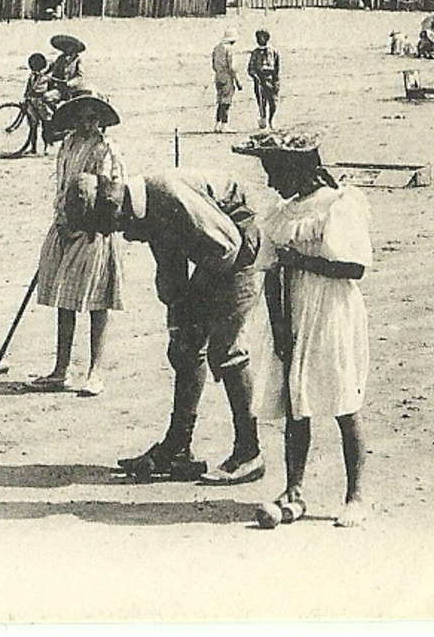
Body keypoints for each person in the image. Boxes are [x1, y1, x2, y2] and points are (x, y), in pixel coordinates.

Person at [67, 166, 267, 485]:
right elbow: (170, 264)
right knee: (185, 347)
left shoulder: (167, 196)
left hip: (237, 249)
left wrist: (200, 302)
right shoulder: (139, 208)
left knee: (225, 350)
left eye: (112, 227)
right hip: (212, 254)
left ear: (114, 206)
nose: (118, 234)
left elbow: (225, 248)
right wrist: (179, 313)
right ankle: (177, 449)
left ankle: (249, 451)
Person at [236, 132, 374, 528]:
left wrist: (301, 261)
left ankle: (356, 495)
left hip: (331, 309)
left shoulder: (337, 206)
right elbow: (270, 272)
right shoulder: (282, 214)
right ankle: (294, 489)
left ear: (298, 169)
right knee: (298, 401)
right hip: (294, 311)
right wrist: (279, 328)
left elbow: (354, 268)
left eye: (274, 171)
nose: (270, 182)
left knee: (342, 400)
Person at [29, 94, 125, 396]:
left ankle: (95, 372)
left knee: (97, 302)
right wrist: (61, 219)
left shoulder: (105, 149)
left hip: (93, 231)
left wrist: (90, 222)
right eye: (83, 115)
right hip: (64, 228)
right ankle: (62, 369)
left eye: (94, 115)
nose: (88, 121)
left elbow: (110, 193)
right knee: (64, 299)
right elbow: (62, 187)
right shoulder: (67, 145)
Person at [21, 53, 56, 155]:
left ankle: (47, 146)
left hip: (42, 102)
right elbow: (28, 88)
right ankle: (33, 148)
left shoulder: (46, 77)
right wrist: (26, 97)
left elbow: (50, 88)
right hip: (32, 101)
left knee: (46, 125)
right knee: (33, 126)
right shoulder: (32, 76)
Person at [247, 29, 281, 130]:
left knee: (273, 103)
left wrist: (276, 81)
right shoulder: (255, 53)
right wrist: (255, 77)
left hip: (271, 79)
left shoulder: (273, 51)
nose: (259, 39)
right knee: (261, 103)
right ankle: (264, 120)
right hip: (259, 79)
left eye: (262, 37)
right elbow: (250, 68)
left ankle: (271, 120)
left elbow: (277, 67)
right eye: (258, 37)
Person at [211, 28, 241, 133]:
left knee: (220, 100)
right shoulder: (229, 50)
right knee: (226, 102)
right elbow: (232, 67)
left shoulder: (216, 48)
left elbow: (213, 64)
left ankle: (217, 124)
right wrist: (237, 81)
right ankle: (224, 124)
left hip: (218, 76)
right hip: (227, 76)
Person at [46, 35, 86, 109]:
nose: (66, 48)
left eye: (68, 46)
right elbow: (54, 71)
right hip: (61, 89)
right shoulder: (60, 59)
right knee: (47, 97)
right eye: (65, 46)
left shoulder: (77, 59)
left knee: (47, 97)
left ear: (73, 48)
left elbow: (80, 76)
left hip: (74, 91)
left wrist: (69, 83)